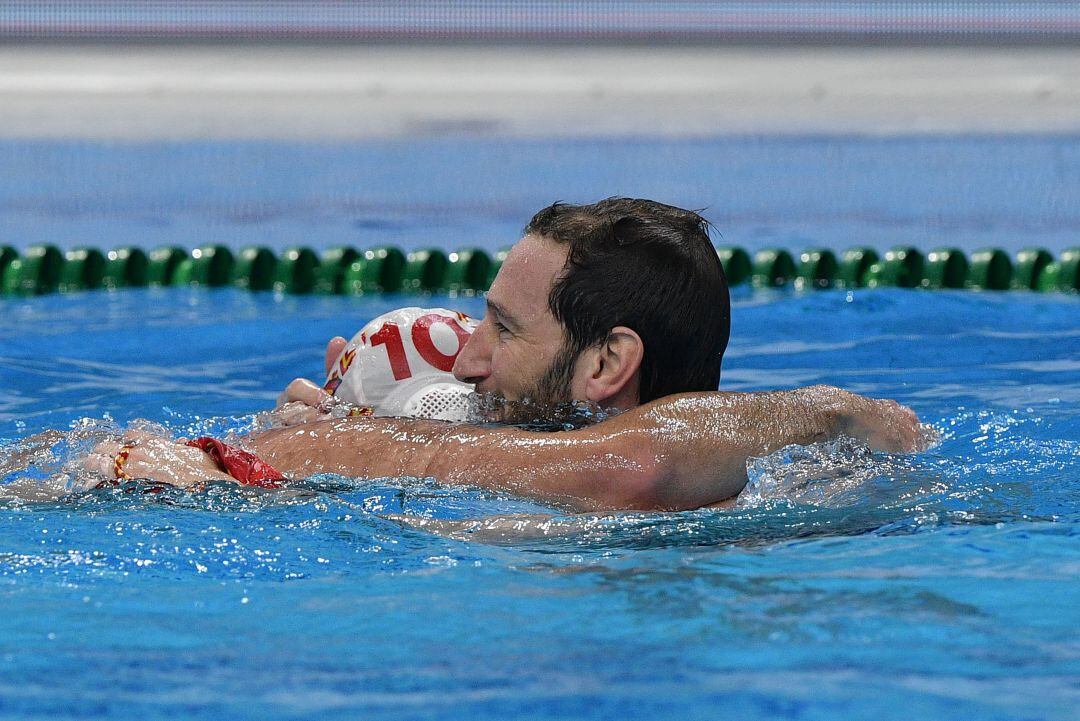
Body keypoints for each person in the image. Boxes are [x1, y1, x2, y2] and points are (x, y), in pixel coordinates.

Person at [87, 198, 924, 511]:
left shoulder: (678, 465)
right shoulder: (537, 457)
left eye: (506, 330)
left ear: (606, 365)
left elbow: (642, 461)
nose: (466, 360)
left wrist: (281, 456)